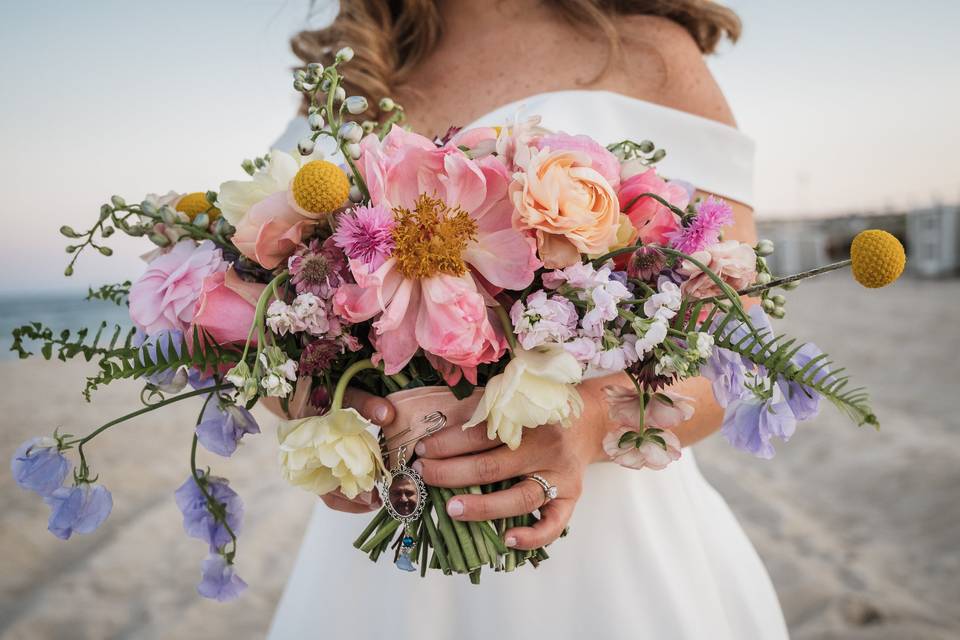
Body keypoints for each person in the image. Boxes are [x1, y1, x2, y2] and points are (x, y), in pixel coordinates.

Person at [269, 2, 790, 638]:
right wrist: (316, 411)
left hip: (609, 548)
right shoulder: (348, 79)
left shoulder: (651, 52)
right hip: (388, 546)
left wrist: (597, 418)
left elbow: (741, 354)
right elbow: (265, 324)